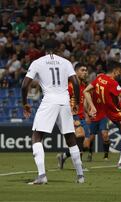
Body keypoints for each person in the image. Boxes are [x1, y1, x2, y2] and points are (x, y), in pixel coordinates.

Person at [21, 39, 84, 184]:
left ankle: (42, 175)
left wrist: (25, 104)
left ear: (43, 48)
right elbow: (75, 82)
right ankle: (80, 176)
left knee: (36, 136)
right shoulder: (65, 62)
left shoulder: (38, 62)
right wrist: (76, 103)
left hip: (49, 100)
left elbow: (25, 86)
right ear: (57, 49)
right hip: (64, 100)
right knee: (70, 137)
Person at [57, 63, 90, 169]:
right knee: (80, 135)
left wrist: (87, 113)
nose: (85, 72)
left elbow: (82, 102)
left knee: (85, 145)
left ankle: (64, 156)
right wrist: (71, 116)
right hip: (72, 115)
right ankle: (79, 165)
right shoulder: (70, 85)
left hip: (81, 116)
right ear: (75, 72)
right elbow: (64, 101)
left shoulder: (84, 86)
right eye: (82, 70)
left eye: (86, 70)